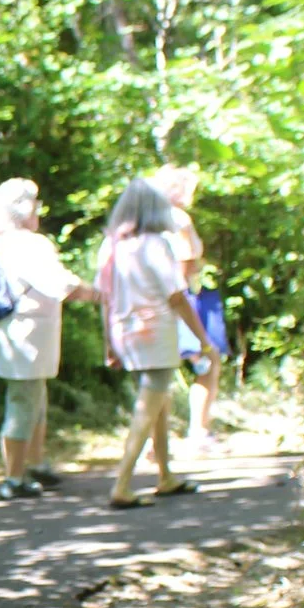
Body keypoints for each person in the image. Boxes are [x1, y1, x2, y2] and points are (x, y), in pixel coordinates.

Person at [0, 178, 100, 500]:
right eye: (35, 204)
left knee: (35, 398)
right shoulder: (31, 245)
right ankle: (14, 478)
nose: (39, 210)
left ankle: (36, 464)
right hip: (26, 336)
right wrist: (102, 295)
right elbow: (61, 286)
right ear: (25, 210)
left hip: (0, 331)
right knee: (23, 401)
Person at [94, 177, 213, 509]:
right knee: (148, 406)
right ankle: (122, 484)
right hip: (155, 331)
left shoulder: (111, 246)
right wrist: (203, 340)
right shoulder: (155, 245)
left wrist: (108, 344)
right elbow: (176, 296)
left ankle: (166, 476)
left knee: (158, 402)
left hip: (124, 332)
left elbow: (105, 300)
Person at [153, 164, 230, 453]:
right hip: (186, 297)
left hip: (159, 299)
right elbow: (186, 261)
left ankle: (155, 438)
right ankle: (198, 431)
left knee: (162, 368)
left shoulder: (150, 219)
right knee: (208, 361)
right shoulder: (179, 219)